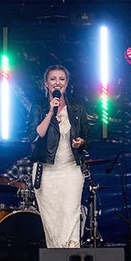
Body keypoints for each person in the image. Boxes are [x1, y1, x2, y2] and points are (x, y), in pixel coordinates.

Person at [26, 65, 91, 248]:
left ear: (67, 83)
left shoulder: (77, 107)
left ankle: (70, 252)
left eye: (62, 79)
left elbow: (89, 138)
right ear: (46, 83)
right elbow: (35, 135)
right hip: (46, 170)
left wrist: (81, 142)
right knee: (51, 217)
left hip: (71, 168)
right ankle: (55, 255)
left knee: (70, 212)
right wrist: (50, 112)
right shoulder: (38, 106)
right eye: (53, 79)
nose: (57, 82)